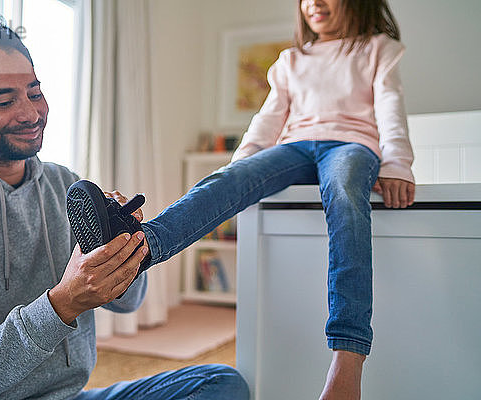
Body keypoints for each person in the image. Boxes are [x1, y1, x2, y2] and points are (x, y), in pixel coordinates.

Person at [0, 13, 249, 400]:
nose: (30, 113)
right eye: (3, 100)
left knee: (220, 385)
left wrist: (120, 249)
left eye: (35, 93)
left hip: (66, 395)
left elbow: (128, 302)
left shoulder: (63, 183)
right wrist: (62, 304)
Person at [78, 0, 414, 399]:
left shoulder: (377, 48)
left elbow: (390, 108)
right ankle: (141, 248)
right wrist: (239, 170)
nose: (315, 4)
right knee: (223, 180)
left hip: (352, 144)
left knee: (344, 193)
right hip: (296, 146)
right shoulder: (292, 60)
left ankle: (348, 355)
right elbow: (269, 119)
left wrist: (397, 163)